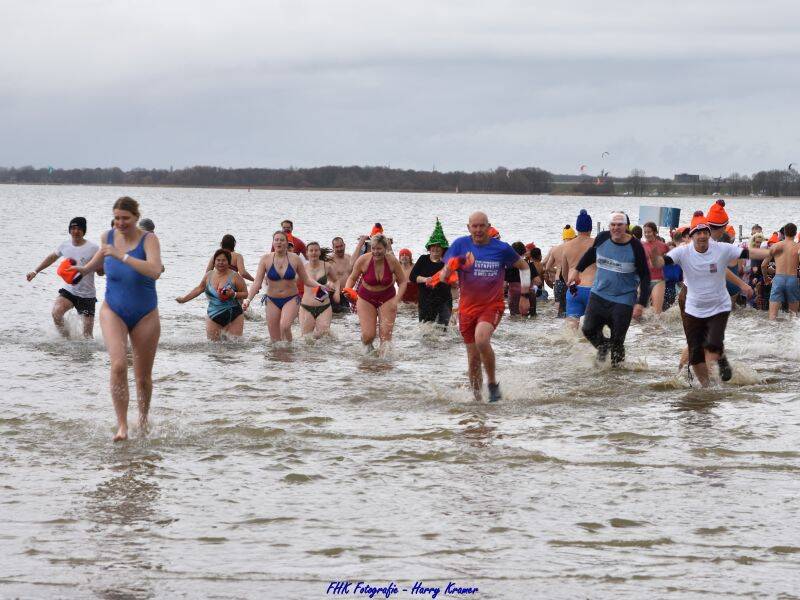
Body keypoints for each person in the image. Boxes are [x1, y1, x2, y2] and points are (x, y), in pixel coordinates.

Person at [74, 197, 162, 441]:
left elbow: (155, 270)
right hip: (113, 309)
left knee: (143, 378)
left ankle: (142, 420)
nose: (120, 223)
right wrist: (85, 269)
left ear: (136, 218)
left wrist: (122, 256)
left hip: (145, 313)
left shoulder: (149, 239)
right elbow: (102, 257)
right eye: (117, 218)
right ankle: (122, 426)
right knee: (119, 365)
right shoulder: (108, 237)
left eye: (126, 218)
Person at [438, 211, 532, 402]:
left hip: (492, 305)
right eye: (475, 226)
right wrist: (448, 269)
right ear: (469, 228)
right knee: (473, 359)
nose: (478, 230)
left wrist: (524, 295)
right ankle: (477, 401)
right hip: (466, 309)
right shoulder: (460, 245)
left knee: (481, 340)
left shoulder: (501, 248)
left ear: (489, 227)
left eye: (482, 226)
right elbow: (443, 278)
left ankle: (492, 384)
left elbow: (524, 267)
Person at [653, 216, 758, 387]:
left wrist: (741, 284)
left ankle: (694, 373)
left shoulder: (712, 246)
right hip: (690, 296)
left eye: (705, 232)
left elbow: (720, 269)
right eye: (698, 232)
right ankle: (688, 374)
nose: (702, 236)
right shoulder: (690, 247)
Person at [568, 211, 650, 367]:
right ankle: (603, 347)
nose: (616, 228)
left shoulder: (635, 246)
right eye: (613, 225)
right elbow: (591, 254)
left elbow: (645, 276)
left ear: (626, 226)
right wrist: (577, 270)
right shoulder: (602, 238)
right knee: (588, 330)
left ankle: (617, 375)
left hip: (623, 299)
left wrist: (641, 303)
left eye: (620, 225)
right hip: (598, 294)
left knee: (617, 340)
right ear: (609, 226)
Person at [243, 231, 329, 342]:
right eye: (276, 240)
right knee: (275, 340)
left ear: (287, 243)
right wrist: (248, 300)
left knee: (284, 326)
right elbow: (257, 283)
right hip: (272, 300)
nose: (279, 242)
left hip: (291, 298)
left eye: (282, 240)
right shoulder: (265, 259)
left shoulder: (295, 259)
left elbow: (306, 280)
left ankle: (290, 348)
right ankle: (282, 352)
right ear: (273, 243)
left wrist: (320, 286)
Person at [27, 217, 100, 338]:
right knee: (56, 313)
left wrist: (98, 268)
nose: (76, 231)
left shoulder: (94, 248)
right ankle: (67, 340)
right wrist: (35, 271)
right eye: (73, 228)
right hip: (69, 291)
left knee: (87, 336)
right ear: (69, 230)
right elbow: (52, 258)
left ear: (84, 231)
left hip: (87, 295)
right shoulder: (65, 245)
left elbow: (101, 271)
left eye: (79, 229)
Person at [344, 234, 407, 356]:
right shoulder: (363, 260)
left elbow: (403, 281)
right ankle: (367, 352)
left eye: (379, 249)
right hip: (366, 298)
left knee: (385, 337)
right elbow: (352, 278)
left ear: (385, 248)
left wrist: (397, 300)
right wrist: (347, 289)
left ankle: (384, 363)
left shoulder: (392, 261)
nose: (376, 252)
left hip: (387, 298)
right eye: (373, 248)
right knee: (368, 336)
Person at [176, 249, 248, 340]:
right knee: (212, 345)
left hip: (234, 314)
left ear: (229, 262)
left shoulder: (235, 277)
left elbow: (245, 294)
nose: (221, 263)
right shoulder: (208, 275)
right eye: (218, 260)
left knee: (235, 344)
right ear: (214, 262)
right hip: (214, 314)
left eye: (224, 260)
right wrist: (184, 299)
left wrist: (233, 294)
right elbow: (199, 289)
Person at [409, 219, 453, 327]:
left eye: (439, 246)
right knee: (426, 331)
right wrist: (425, 279)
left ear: (443, 249)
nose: (436, 248)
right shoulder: (423, 259)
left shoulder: (448, 262)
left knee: (442, 331)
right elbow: (412, 277)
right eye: (433, 246)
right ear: (429, 247)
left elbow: (454, 282)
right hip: (425, 301)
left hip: (444, 302)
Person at [561, 209, 595, 328]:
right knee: (594, 327)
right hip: (593, 289)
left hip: (574, 289)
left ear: (577, 228)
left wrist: (569, 284)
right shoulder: (597, 244)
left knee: (571, 327)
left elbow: (564, 272)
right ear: (591, 228)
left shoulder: (567, 246)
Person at [299, 242, 340, 337]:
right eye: (311, 250)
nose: (314, 252)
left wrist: (337, 292)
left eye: (316, 250)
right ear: (307, 253)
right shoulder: (302, 268)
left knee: (324, 335)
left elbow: (336, 280)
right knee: (306, 337)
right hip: (306, 307)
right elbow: (291, 282)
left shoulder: (327, 266)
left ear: (320, 252)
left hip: (324, 306)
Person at [763, 222, 800, 319]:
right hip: (793, 279)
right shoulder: (798, 247)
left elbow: (763, 265)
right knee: (793, 317)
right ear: (795, 233)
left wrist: (766, 278)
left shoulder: (775, 246)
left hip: (778, 279)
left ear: (784, 233)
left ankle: (774, 329)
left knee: (772, 317)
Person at [641, 221, 670, 314]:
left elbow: (672, 259)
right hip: (643, 280)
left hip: (658, 280)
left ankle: (658, 324)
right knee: (640, 311)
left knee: (657, 312)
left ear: (655, 232)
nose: (647, 234)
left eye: (649, 232)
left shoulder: (663, 246)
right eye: (645, 232)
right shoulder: (641, 246)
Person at [329, 236, 354, 313]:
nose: (339, 249)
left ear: (344, 245)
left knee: (345, 317)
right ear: (333, 248)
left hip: (346, 295)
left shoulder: (349, 258)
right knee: (333, 317)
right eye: (337, 247)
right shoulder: (328, 260)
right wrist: (328, 284)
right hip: (332, 294)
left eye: (341, 246)